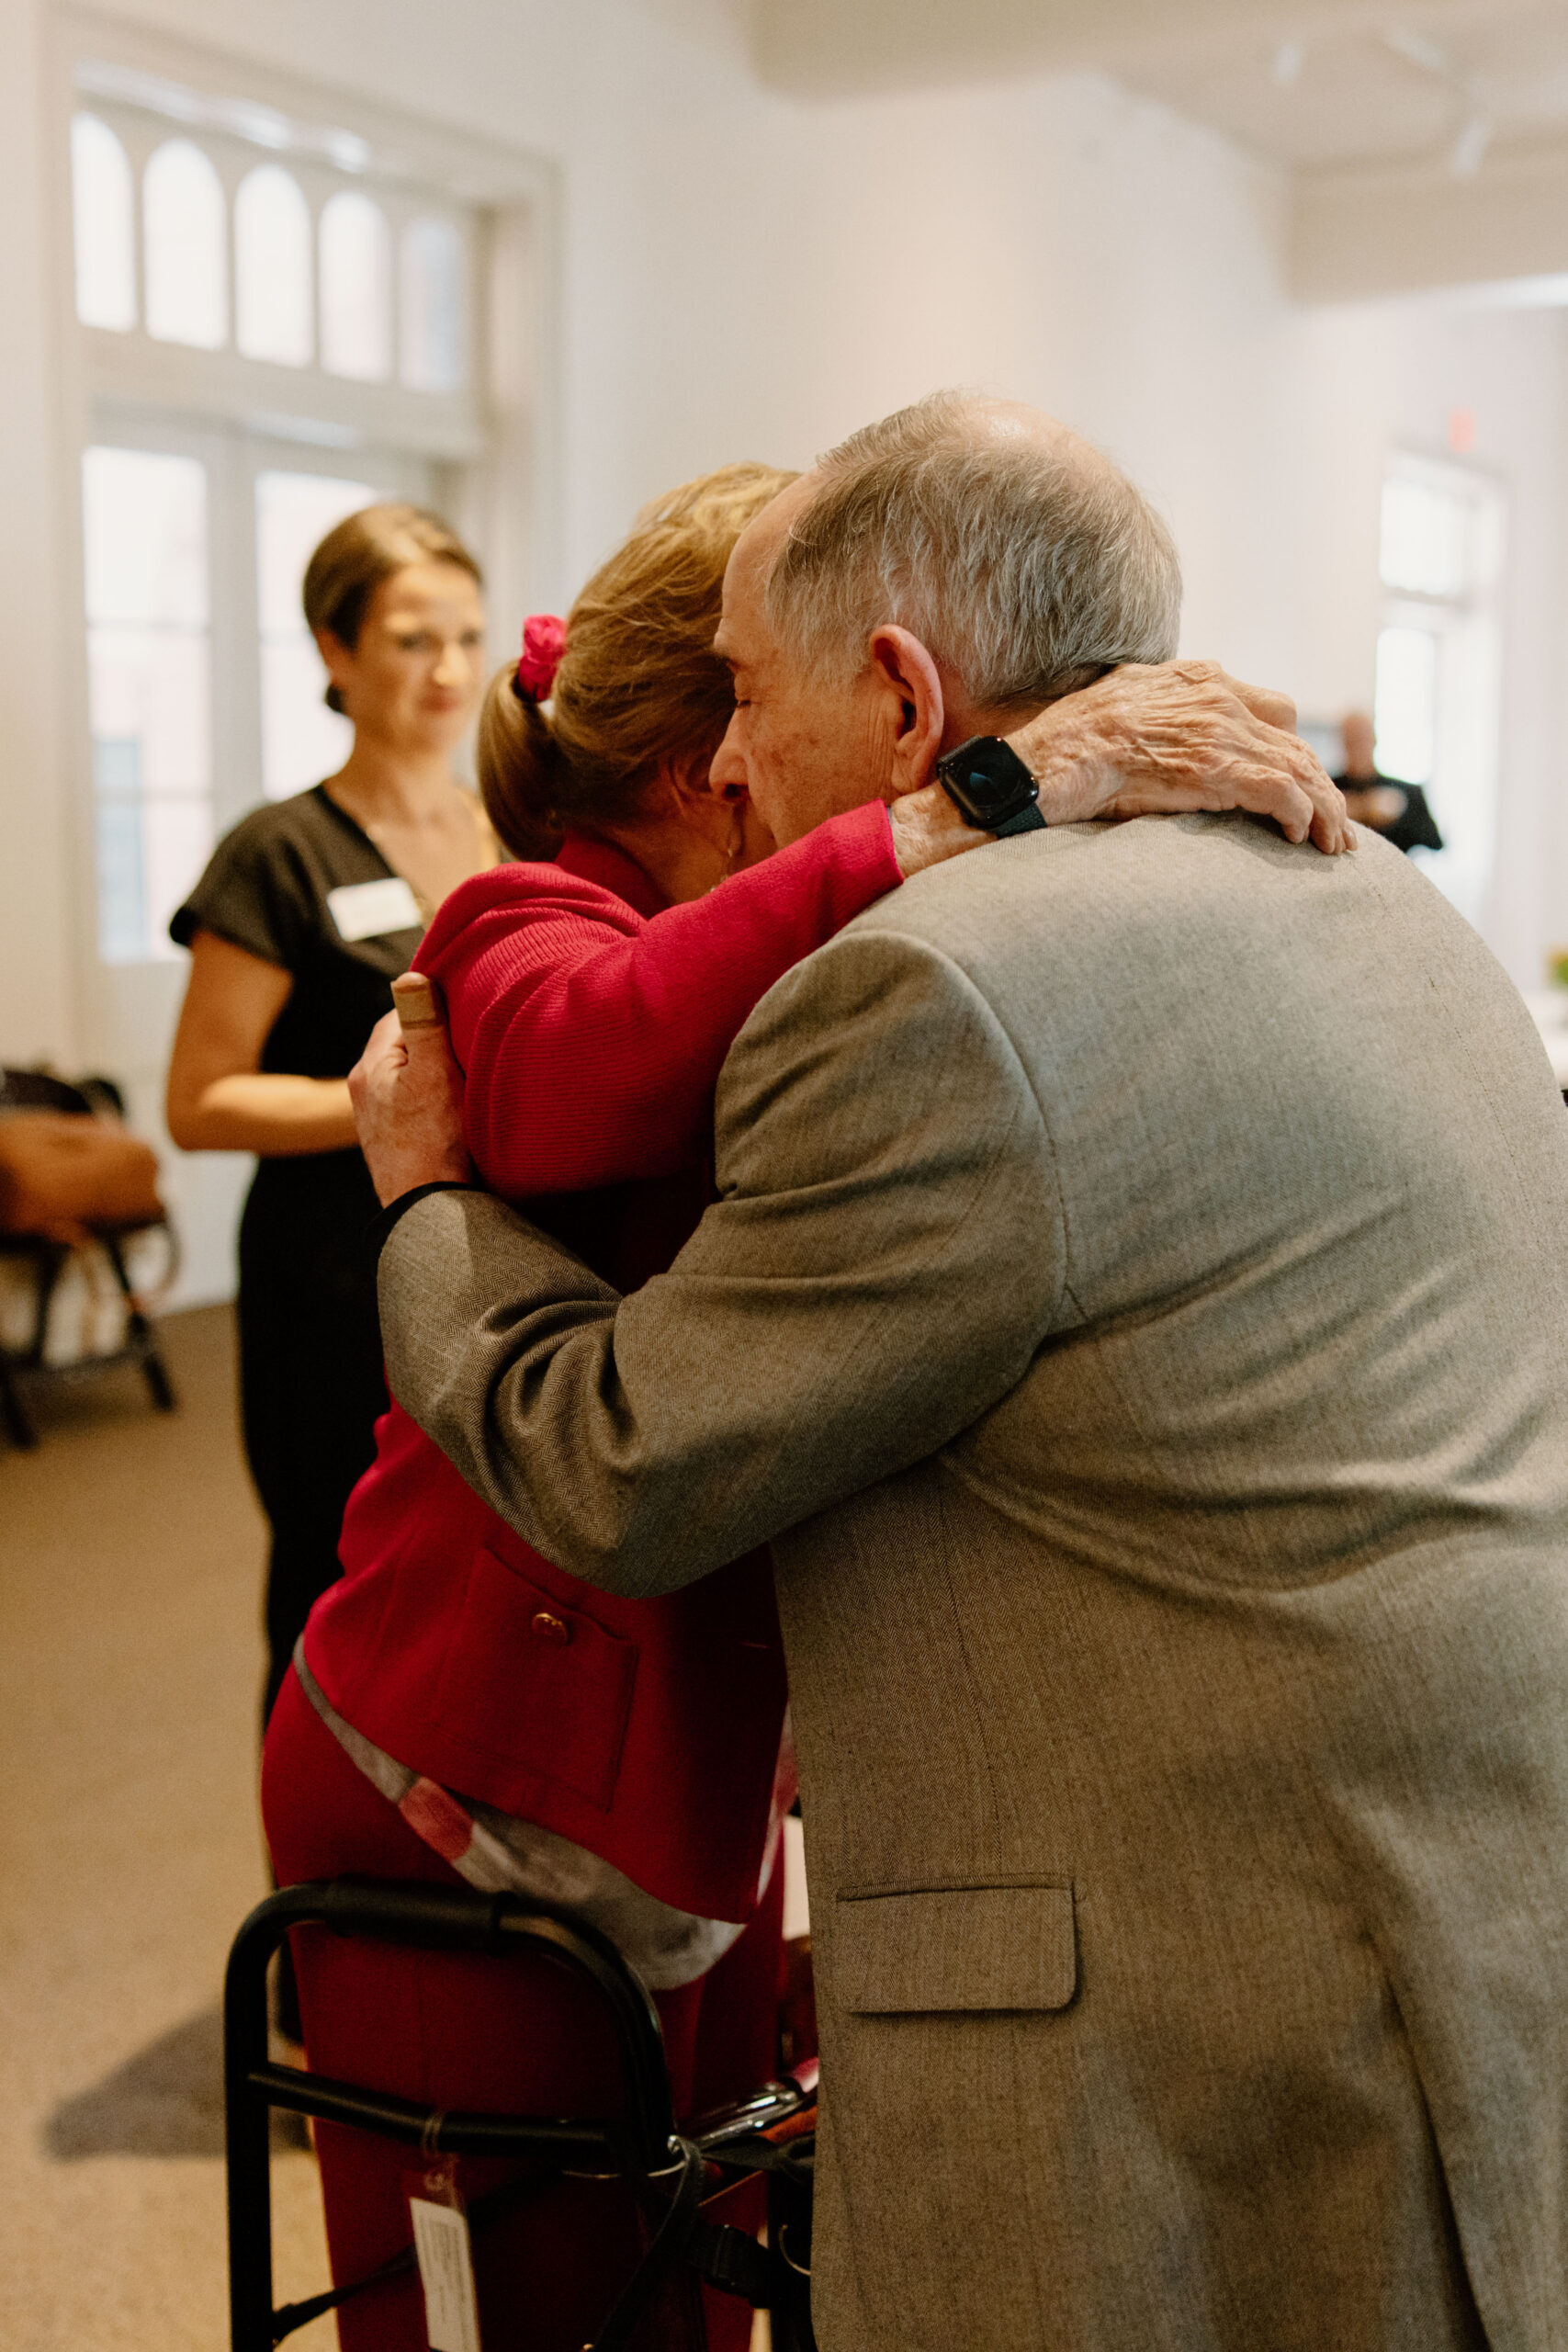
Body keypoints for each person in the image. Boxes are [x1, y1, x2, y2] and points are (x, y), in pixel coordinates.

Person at [357, 394, 1568, 2352]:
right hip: (1462, 1864)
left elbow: (618, 1464)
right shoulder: (1366, 883)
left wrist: (417, 1199)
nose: (728, 757)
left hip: (1193, 1961)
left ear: (905, 700)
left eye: (753, 698)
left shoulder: (933, 986)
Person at [166, 503, 499, 1736]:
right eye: (412, 640)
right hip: (329, 1279)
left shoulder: (509, 824)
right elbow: (199, 1101)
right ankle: (313, 1837)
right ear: (334, 650)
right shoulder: (279, 854)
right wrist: (388, 1111)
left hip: (488, 1261)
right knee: (331, 1571)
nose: (449, 671)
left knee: (479, 1576)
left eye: (466, 637)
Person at [1335, 707, 1444, 854]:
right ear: (1342, 742)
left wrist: (1399, 815)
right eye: (1352, 740)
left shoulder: (1407, 792)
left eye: (1363, 739)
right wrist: (1361, 809)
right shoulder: (1329, 790)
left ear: (1374, 740)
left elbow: (1435, 842)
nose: (1358, 746)